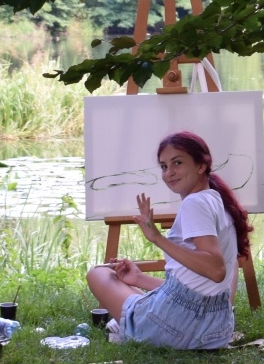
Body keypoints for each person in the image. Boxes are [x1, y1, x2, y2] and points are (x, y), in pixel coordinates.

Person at [86, 131, 251, 350]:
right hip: (215, 331)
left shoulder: (194, 204)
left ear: (201, 165)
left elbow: (215, 269)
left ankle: (129, 327)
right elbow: (194, 291)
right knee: (141, 293)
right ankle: (130, 316)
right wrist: (139, 278)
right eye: (164, 166)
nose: (169, 173)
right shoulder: (217, 200)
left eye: (177, 163)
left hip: (176, 330)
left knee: (98, 273)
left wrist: (156, 237)